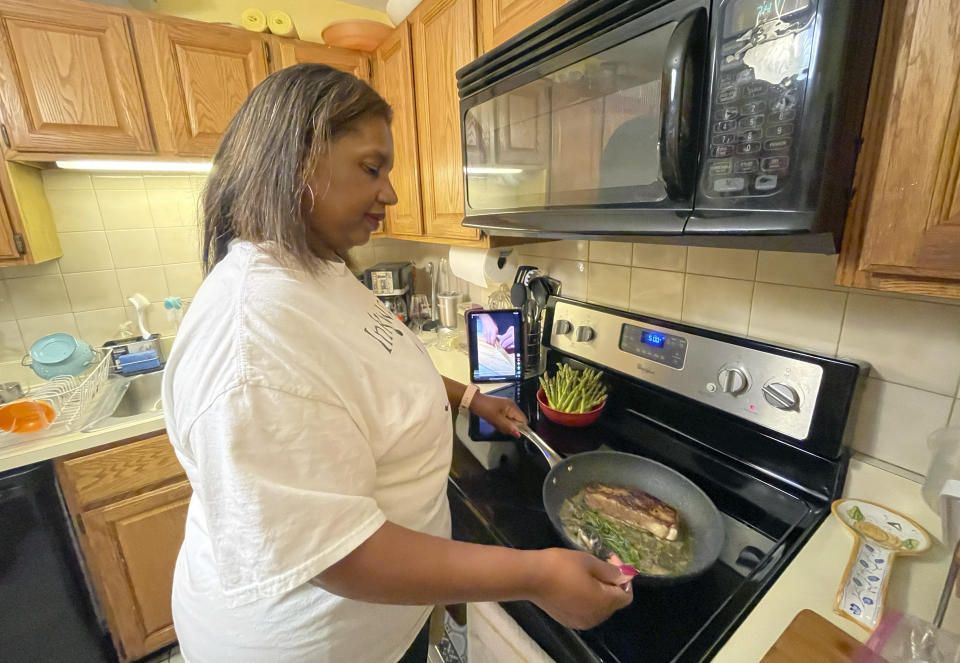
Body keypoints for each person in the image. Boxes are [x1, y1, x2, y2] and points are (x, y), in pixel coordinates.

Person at [161, 63, 633, 663]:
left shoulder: (316, 268)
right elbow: (340, 555)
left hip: (376, 626)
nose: (390, 192)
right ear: (295, 158)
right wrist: (537, 576)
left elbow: (365, 373)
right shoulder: (253, 338)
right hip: (309, 646)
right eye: (371, 168)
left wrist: (466, 397)